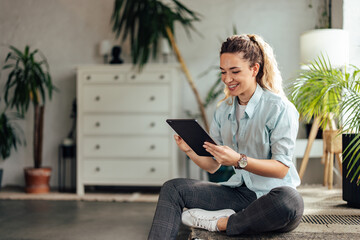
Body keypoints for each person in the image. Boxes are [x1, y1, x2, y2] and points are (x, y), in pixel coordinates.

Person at [148, 34, 304, 240]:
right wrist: (189, 150)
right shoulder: (224, 111)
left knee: (290, 200)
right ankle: (237, 220)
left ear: (254, 69)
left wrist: (239, 161)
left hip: (271, 199)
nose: (227, 79)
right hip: (239, 194)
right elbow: (213, 165)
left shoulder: (279, 108)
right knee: (173, 188)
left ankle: (221, 223)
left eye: (235, 71)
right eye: (223, 72)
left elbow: (282, 168)